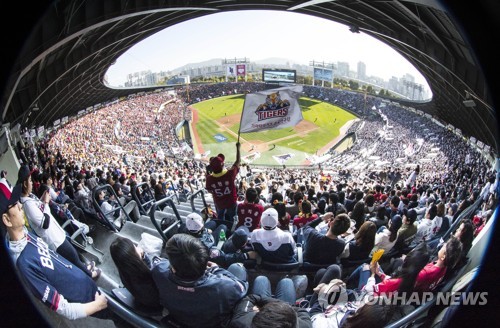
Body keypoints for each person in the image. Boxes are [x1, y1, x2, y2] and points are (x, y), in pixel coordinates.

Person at [1, 180, 107, 320]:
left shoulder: (26, 235)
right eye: (14, 205)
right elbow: (63, 308)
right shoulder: (23, 263)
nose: (20, 205)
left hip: (87, 285)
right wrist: (97, 305)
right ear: (7, 220)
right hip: (89, 299)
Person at [18, 166, 99, 279]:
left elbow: (40, 211)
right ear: (25, 184)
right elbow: (44, 223)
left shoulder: (30, 199)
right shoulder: (27, 204)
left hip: (58, 234)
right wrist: (46, 203)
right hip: (54, 239)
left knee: (74, 254)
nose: (32, 183)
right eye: (30, 181)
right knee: (73, 258)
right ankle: (90, 274)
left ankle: (86, 268)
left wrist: (42, 200)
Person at [151, 233, 248, 328]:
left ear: (173, 267)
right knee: (237, 267)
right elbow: (243, 287)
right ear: (205, 262)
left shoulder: (159, 271)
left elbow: (157, 261)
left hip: (178, 318)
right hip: (212, 323)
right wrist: (216, 269)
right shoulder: (224, 286)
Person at [229, 275, 312, 328]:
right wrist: (284, 307)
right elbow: (301, 310)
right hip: (287, 307)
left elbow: (251, 298)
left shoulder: (242, 322)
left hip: (263, 305)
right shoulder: (304, 325)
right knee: (287, 281)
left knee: (261, 279)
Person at [109, 236, 161, 308]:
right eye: (135, 248)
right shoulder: (149, 276)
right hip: (159, 302)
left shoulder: (124, 271)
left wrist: (142, 256)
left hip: (143, 300)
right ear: (133, 257)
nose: (138, 248)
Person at [205, 142, 241, 229]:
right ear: (223, 165)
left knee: (220, 218)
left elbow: (209, 190)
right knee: (232, 219)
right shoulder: (230, 174)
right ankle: (231, 229)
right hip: (231, 202)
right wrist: (238, 148)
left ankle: (221, 227)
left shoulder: (209, 178)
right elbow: (238, 161)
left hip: (219, 203)